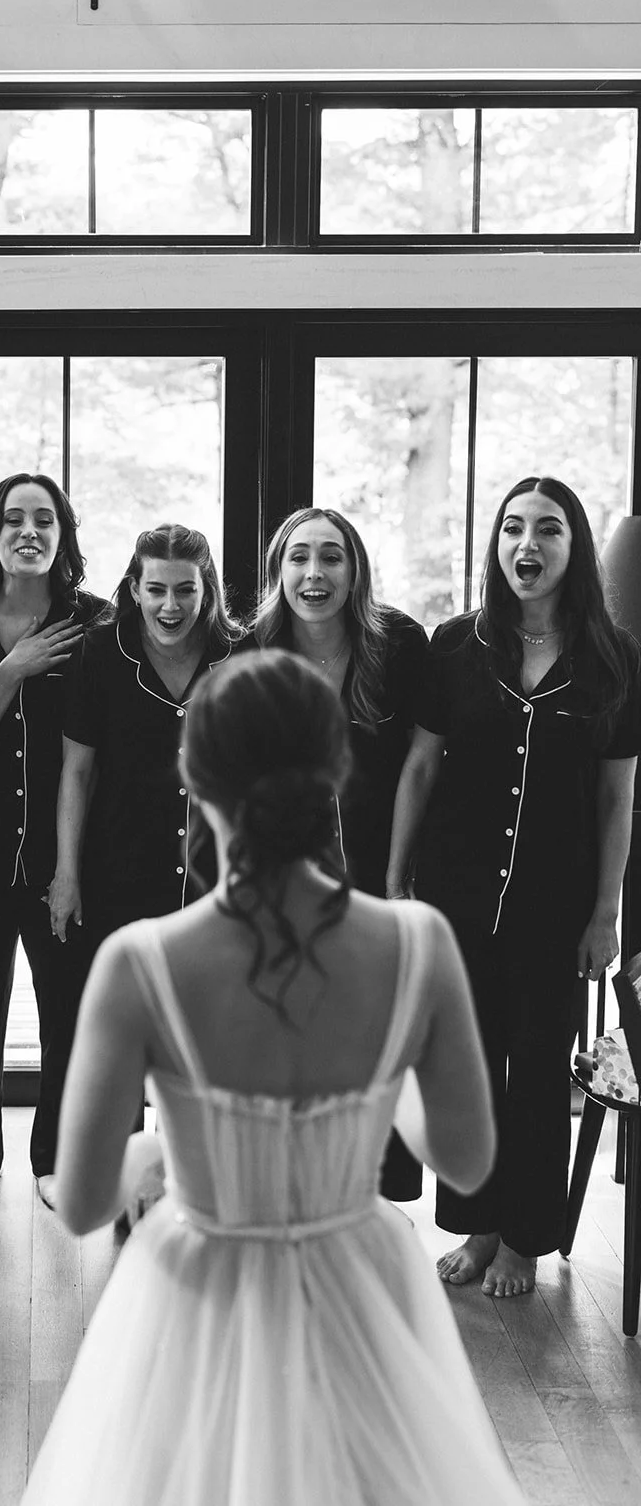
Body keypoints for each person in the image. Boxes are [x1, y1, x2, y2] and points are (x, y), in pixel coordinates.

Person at [24, 650, 524, 1506]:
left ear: (193, 775)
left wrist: (150, 1154)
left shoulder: (141, 961)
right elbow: (471, 1164)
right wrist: (378, 1093)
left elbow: (77, 1203)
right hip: (360, 1280)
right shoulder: (418, 944)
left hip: (198, 1284)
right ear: (336, 768)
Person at [387, 475, 640, 1298]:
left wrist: (606, 912)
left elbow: (616, 796)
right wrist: (395, 883)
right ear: (496, 545)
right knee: (467, 1065)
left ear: (575, 549)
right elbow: (420, 766)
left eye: (549, 530)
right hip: (456, 896)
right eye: (512, 529)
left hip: (554, 906)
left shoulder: (616, 660)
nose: (527, 545)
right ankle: (481, 1226)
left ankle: (526, 1239)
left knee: (534, 1071)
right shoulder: (455, 645)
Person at [241, 505, 429, 1201]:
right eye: (298, 557)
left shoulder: (401, 644)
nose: (314, 573)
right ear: (277, 572)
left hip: (379, 878)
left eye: (331, 557)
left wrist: (399, 881)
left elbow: (423, 763)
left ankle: (374, 1206)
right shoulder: (248, 650)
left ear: (356, 572)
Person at [0, 474, 111, 1211]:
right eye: (14, 520)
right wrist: (12, 669)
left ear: (64, 535)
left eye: (45, 519)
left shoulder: (102, 624)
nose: (29, 531)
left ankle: (59, 1156)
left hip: (68, 855)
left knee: (68, 1009)